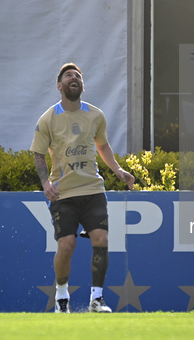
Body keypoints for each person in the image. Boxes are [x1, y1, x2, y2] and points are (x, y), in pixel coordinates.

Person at [31, 63, 134, 313]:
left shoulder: (95, 115)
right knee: (66, 246)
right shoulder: (48, 119)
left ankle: (96, 300)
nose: (74, 78)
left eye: (78, 76)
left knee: (101, 240)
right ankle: (62, 297)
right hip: (63, 194)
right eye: (68, 76)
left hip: (93, 190)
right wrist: (45, 183)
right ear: (59, 85)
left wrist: (118, 171)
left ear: (82, 85)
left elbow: (103, 146)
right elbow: (38, 154)